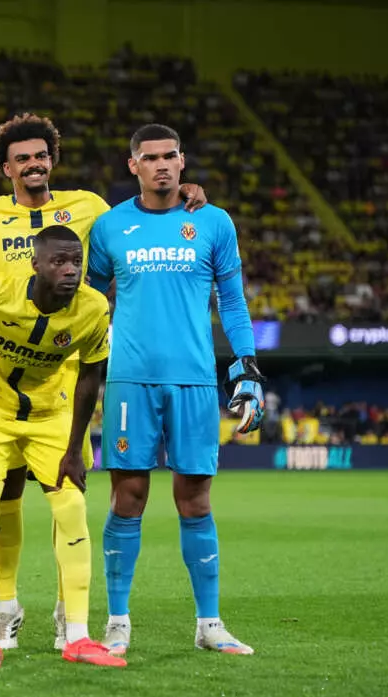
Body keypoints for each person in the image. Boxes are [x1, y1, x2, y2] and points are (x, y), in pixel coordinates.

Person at [0, 112, 207, 650]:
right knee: (1, 498)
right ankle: (5, 606)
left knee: (65, 498)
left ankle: (67, 617)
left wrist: (184, 194)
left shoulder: (90, 207)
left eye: (40, 155)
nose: (34, 164)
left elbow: (141, 217)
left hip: (61, 380)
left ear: (52, 160)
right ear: (6, 168)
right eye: (22, 158)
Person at [88, 123, 264, 657]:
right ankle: (117, 621)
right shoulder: (109, 226)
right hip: (129, 380)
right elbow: (89, 303)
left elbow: (232, 301)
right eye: (150, 157)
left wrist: (247, 368)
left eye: (170, 156)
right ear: (133, 165)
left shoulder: (213, 222)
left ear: (182, 161)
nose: (161, 164)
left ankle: (209, 623)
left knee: (195, 498)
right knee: (128, 497)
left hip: (194, 379)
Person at [0, 225, 125, 669]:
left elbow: (90, 377)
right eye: (59, 262)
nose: (70, 270)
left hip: (49, 414)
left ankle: (77, 636)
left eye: (76, 262)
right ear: (36, 264)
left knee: (72, 509)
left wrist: (74, 449)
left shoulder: (93, 307)